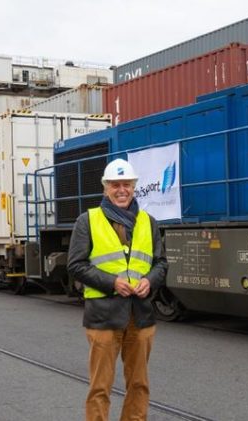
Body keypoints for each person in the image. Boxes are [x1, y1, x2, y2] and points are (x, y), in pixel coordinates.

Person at [67, 158, 168, 421]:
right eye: (115, 185)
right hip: (104, 316)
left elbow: (160, 263)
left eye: (127, 184)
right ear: (105, 188)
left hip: (141, 315)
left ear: (134, 187)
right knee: (100, 387)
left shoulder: (148, 221)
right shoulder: (87, 221)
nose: (121, 190)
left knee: (139, 385)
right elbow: (75, 265)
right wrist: (112, 283)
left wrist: (150, 280)